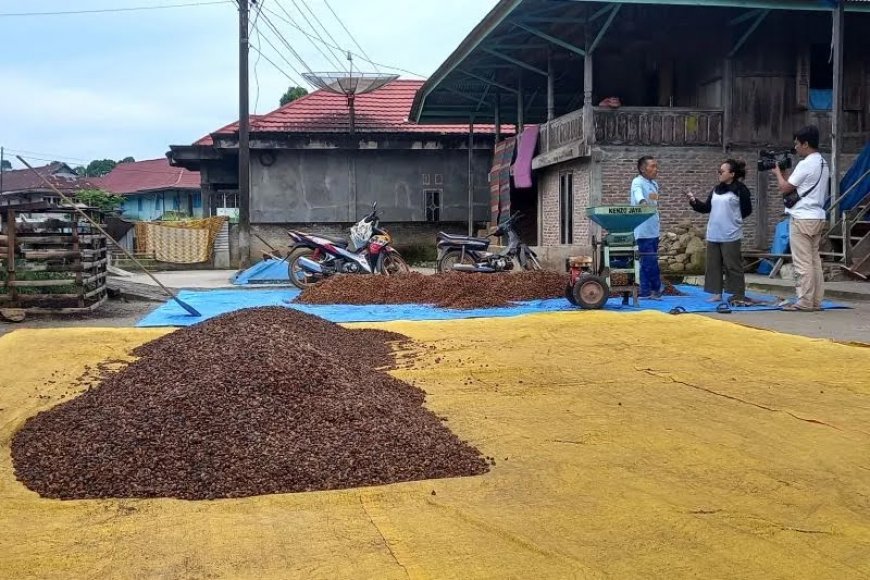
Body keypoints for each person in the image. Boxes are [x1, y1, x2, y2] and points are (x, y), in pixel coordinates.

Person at [774, 125, 829, 312]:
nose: (795, 147)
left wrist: (776, 173)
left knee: (802, 262)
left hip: (802, 217)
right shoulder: (822, 162)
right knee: (814, 261)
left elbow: (784, 188)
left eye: (797, 143)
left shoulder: (806, 163)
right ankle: (815, 301)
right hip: (817, 216)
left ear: (806, 144)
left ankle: (804, 301)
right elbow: (797, 185)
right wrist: (785, 175)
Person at [686, 159, 753, 305]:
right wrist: (693, 201)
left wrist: (734, 220)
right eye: (719, 171)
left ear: (732, 174)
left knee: (733, 265)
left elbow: (747, 210)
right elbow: (706, 208)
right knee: (713, 265)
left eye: (722, 171)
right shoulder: (716, 189)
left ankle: (737, 294)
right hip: (714, 233)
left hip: (731, 233)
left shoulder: (741, 189)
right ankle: (717, 293)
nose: (719, 174)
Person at [630, 156, 662, 299]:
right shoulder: (637, 182)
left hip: (654, 228)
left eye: (656, 166)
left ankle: (645, 290)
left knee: (646, 261)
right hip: (643, 230)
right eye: (653, 166)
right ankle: (655, 289)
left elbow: (654, 203)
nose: (656, 169)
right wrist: (642, 202)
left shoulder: (654, 184)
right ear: (643, 169)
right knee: (649, 261)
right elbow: (638, 195)